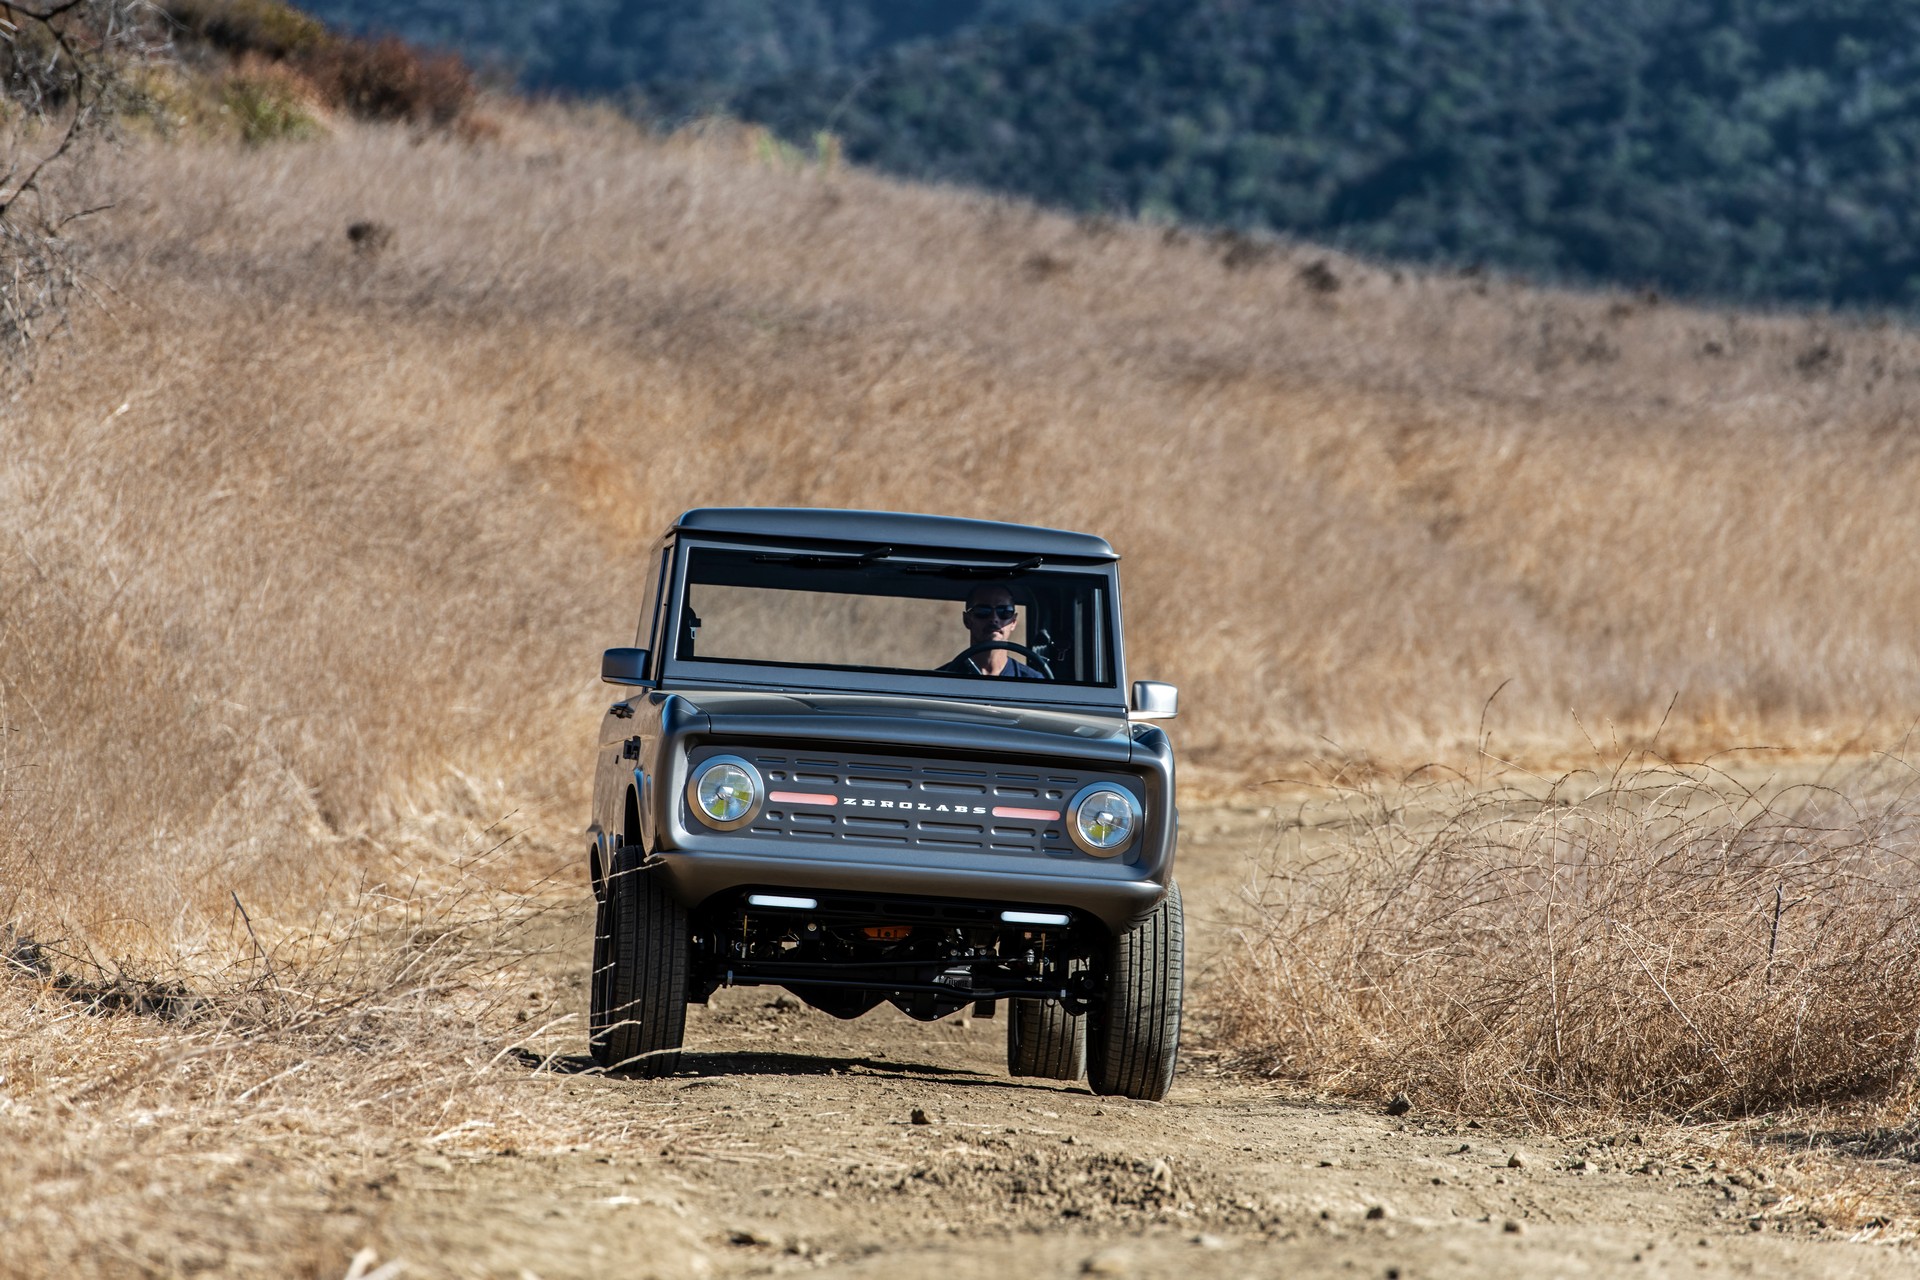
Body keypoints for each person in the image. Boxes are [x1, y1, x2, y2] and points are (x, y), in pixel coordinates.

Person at [939, 584, 1045, 679]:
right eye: (983, 611)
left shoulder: (1033, 681)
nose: (994, 618)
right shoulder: (941, 679)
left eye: (1004, 612)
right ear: (967, 620)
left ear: (1013, 622)